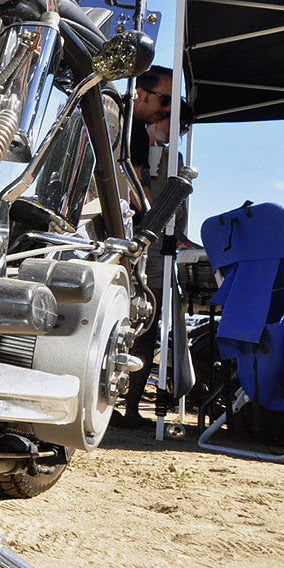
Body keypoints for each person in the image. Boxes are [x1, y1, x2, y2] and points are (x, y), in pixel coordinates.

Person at [117, 79, 193, 428]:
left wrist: (179, 236)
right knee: (120, 319)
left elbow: (176, 208)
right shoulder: (131, 144)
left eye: (180, 125)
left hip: (160, 252)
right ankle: (113, 401)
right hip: (128, 244)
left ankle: (131, 408)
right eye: (168, 118)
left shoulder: (174, 158)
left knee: (148, 328)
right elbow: (134, 195)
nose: (172, 128)